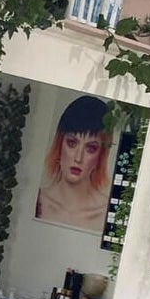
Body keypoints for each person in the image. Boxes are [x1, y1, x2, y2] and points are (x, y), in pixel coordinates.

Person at [35, 95, 113, 232]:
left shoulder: (107, 214)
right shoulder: (37, 201)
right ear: (60, 144)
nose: (78, 158)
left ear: (101, 155)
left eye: (91, 148)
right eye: (72, 143)